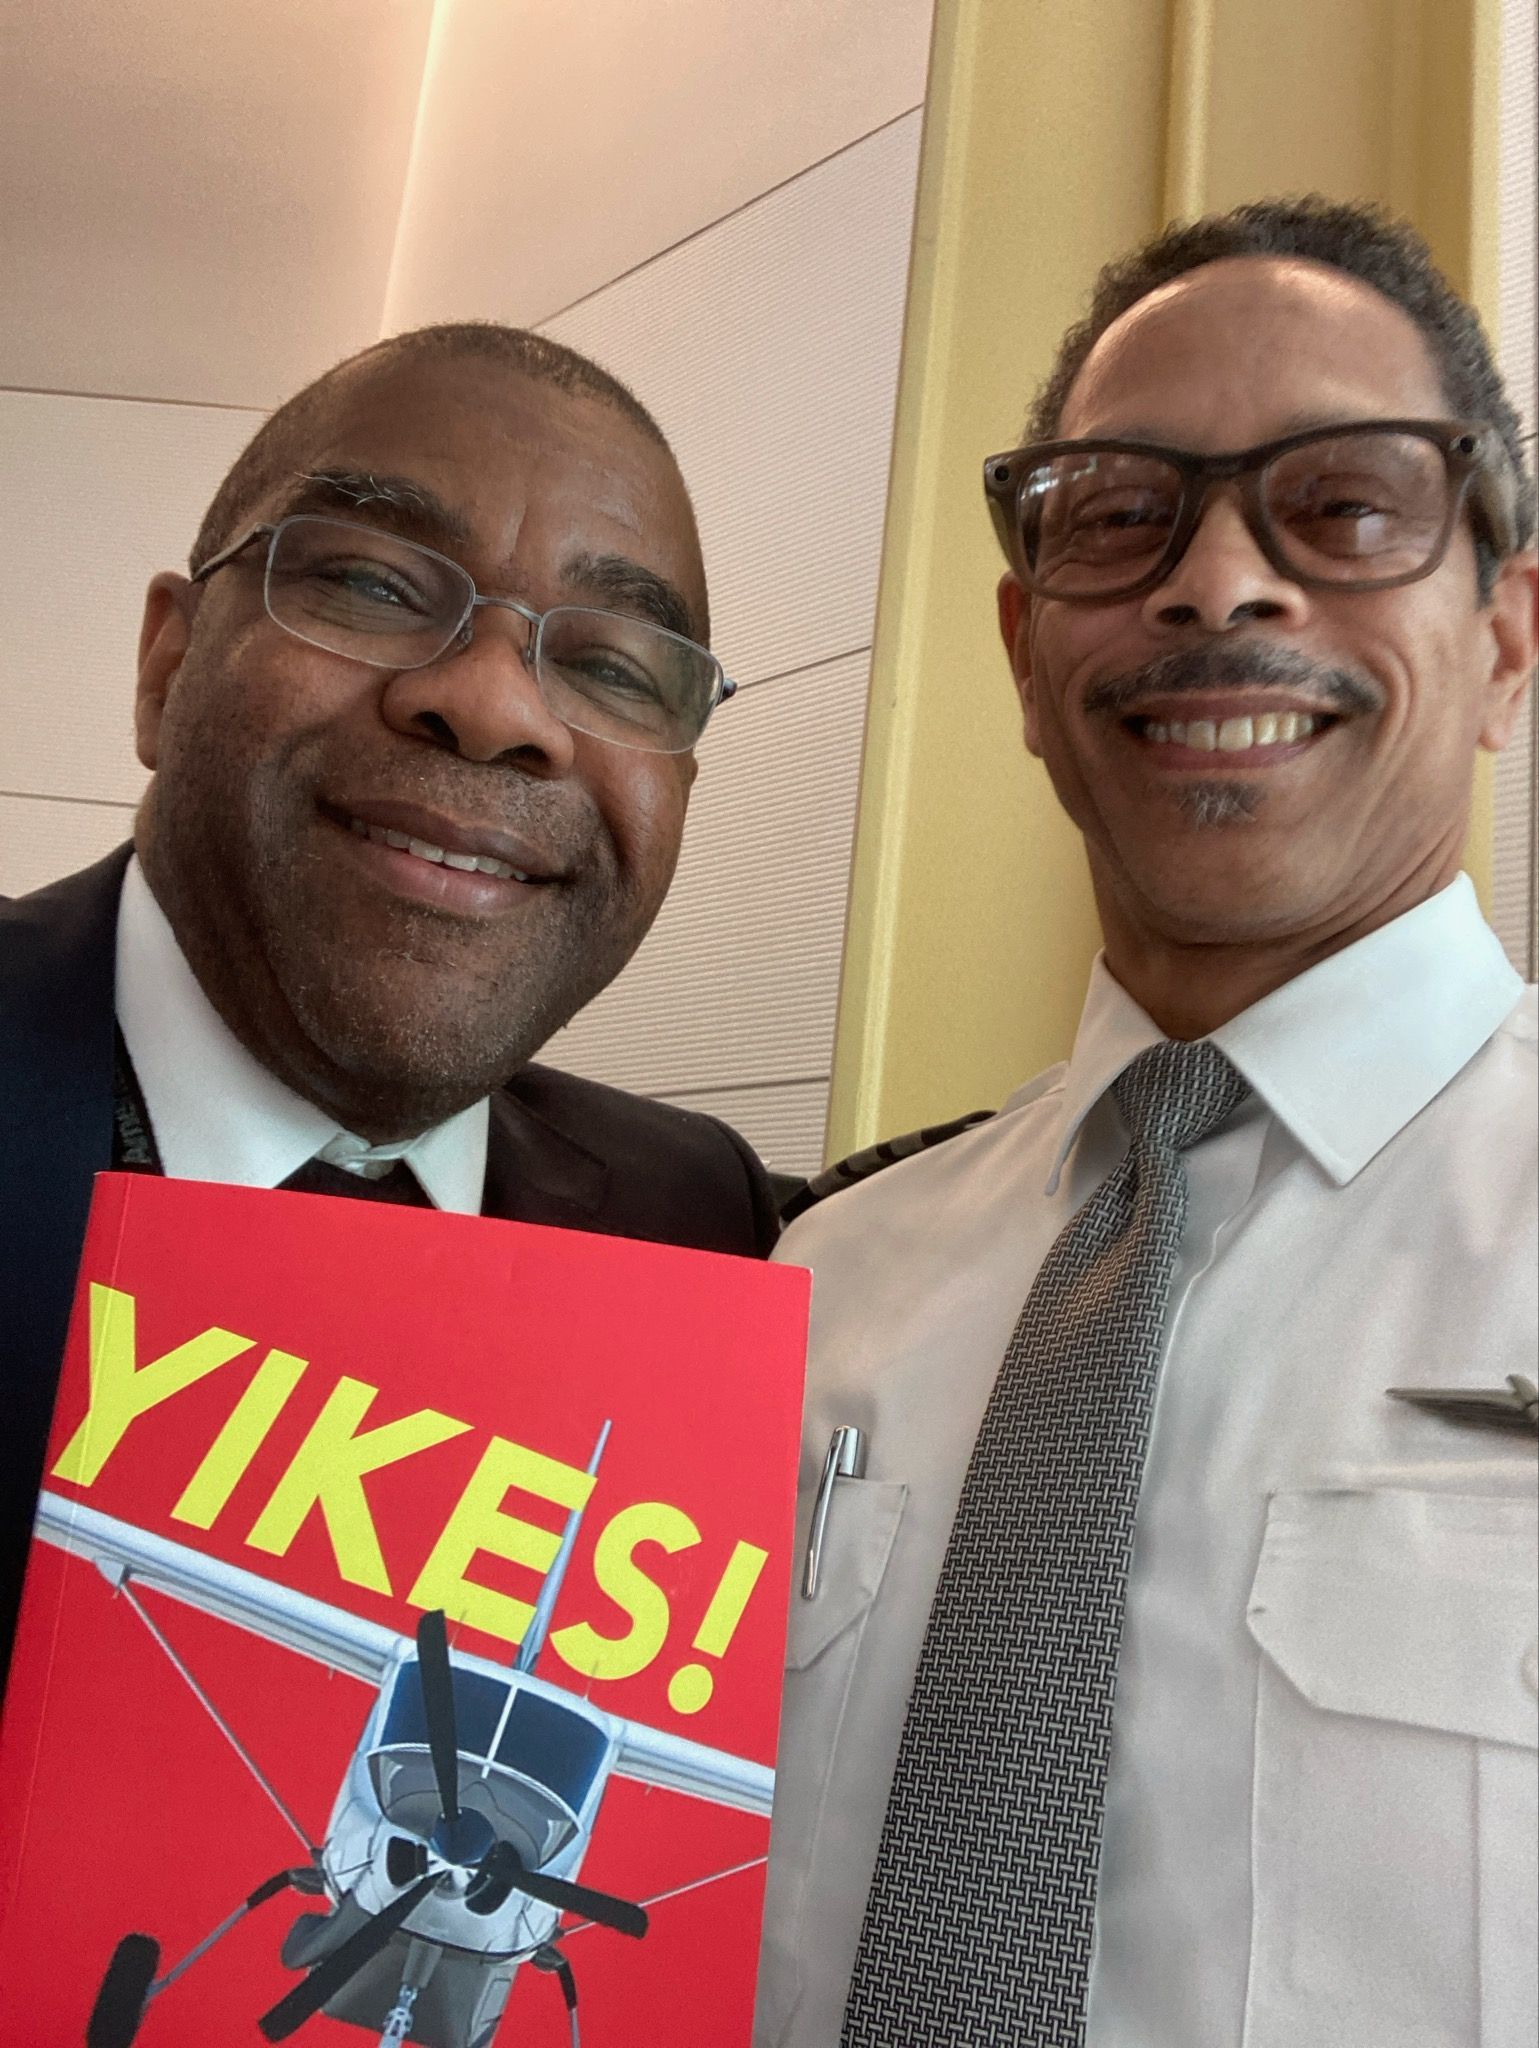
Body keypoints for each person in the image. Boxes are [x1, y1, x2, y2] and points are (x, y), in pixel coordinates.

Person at [755, 197, 1537, 2048]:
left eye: (1343, 507)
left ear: (1508, 638)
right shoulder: (818, 1287)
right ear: (1028, 657)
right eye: (1122, 516)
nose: (1220, 584)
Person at [0, 324, 780, 1679]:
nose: (490, 705)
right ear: (164, 665)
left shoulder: (699, 1223)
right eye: (369, 582)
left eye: (610, 668)